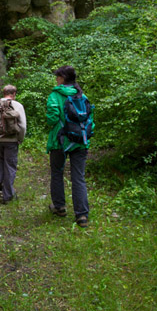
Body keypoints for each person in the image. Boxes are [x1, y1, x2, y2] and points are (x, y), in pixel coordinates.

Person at [46, 66, 90, 227]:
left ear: (63, 78)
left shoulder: (55, 95)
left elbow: (51, 119)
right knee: (78, 177)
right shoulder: (81, 95)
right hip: (80, 141)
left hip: (59, 141)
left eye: (58, 76)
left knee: (57, 173)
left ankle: (60, 207)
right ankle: (82, 215)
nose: (56, 79)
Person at [0, 84, 27, 203]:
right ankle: (8, 196)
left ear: (4, 93)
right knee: (10, 165)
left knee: (2, 159)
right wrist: (20, 139)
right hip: (11, 140)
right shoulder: (17, 105)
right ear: (14, 94)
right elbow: (22, 126)